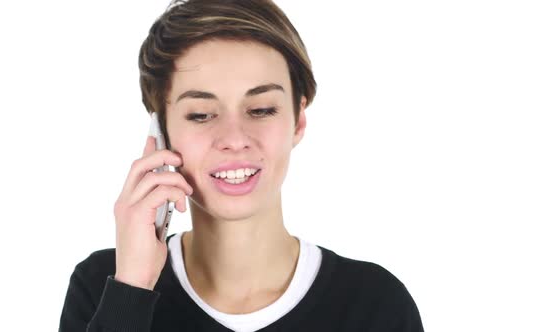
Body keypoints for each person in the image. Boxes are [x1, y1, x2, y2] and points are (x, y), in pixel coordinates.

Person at [59, 0, 425, 331]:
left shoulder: (375, 305)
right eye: (201, 114)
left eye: (261, 109)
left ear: (298, 120)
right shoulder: (104, 286)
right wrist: (131, 292)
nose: (234, 138)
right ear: (162, 131)